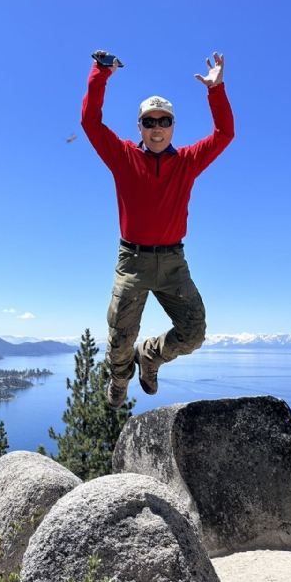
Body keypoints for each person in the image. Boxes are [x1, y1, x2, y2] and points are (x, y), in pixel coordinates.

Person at [81, 50, 234, 409]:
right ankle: (120, 379)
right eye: (149, 122)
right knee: (120, 337)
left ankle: (149, 356)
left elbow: (225, 133)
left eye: (164, 121)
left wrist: (216, 90)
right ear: (140, 128)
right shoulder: (123, 157)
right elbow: (90, 122)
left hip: (173, 264)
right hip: (132, 262)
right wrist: (100, 74)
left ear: (173, 126)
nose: (157, 128)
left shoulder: (187, 162)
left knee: (193, 333)